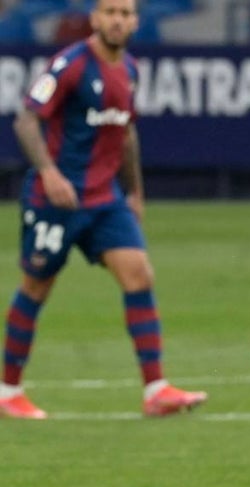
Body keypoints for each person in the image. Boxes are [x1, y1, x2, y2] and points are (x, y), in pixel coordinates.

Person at [2, 0, 207, 419]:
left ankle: (156, 389)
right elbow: (26, 119)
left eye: (126, 13)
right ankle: (8, 391)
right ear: (95, 19)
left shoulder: (129, 69)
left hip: (104, 199)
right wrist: (50, 173)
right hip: (55, 199)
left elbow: (126, 133)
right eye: (110, 12)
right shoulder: (71, 64)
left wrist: (135, 193)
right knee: (37, 286)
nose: (118, 20)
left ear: (135, 21)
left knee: (138, 274)